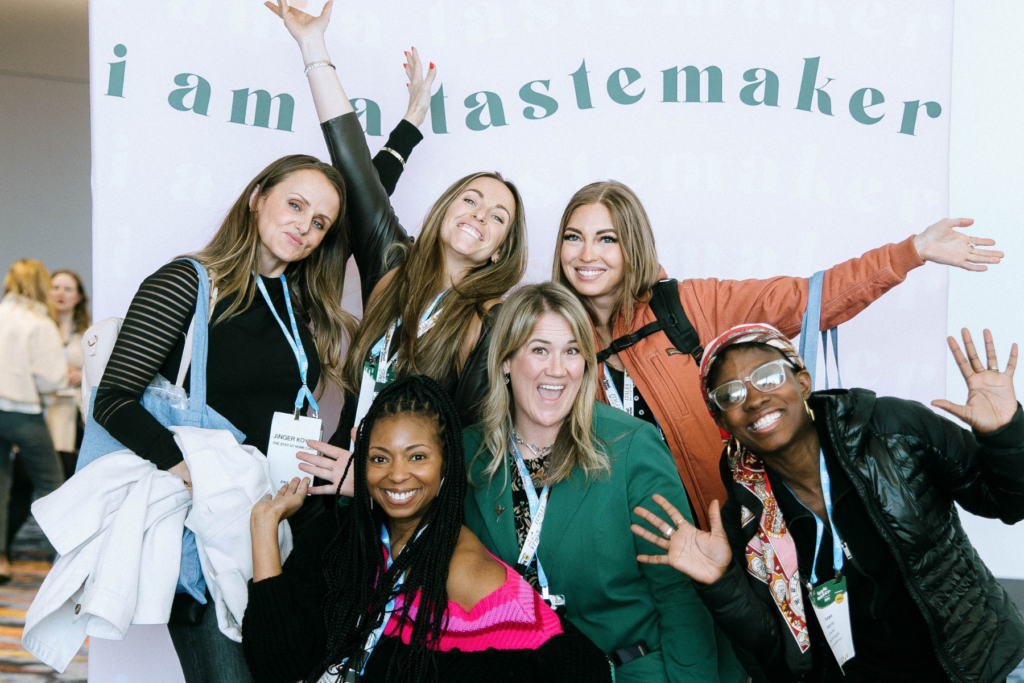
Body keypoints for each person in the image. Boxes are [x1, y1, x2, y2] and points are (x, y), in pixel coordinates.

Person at [90, 138, 410, 682]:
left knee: (285, 668)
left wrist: (405, 135)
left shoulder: (294, 296)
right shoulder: (186, 283)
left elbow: (364, 211)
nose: (305, 228)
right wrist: (192, 474)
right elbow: (113, 399)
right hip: (208, 522)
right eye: (294, 205)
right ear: (256, 198)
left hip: (279, 518)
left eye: (320, 223)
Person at [549, 181, 1004, 530]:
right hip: (634, 544)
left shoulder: (688, 306)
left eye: (606, 238)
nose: (588, 253)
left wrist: (910, 252)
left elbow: (808, 300)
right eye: (574, 237)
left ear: (633, 246)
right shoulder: (550, 336)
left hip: (733, 532)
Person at [631, 323, 1024, 682]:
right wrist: (721, 585)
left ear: (802, 383)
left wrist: (1007, 433)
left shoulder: (891, 429)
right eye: (731, 394)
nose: (753, 399)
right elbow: (778, 661)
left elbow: (1007, 502)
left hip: (972, 667)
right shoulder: (745, 521)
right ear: (723, 420)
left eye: (767, 377)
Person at [266, 0, 528, 467]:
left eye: (498, 216)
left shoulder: (492, 320)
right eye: (470, 199)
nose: (479, 215)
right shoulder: (393, 267)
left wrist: (370, 479)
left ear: (499, 251)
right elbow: (352, 165)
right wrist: (313, 47)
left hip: (412, 503)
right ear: (446, 208)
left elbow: (473, 444)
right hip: (337, 478)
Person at [242, 375, 612, 683]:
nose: (397, 474)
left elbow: (584, 669)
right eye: (379, 458)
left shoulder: (466, 573)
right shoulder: (346, 538)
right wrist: (264, 528)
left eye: (417, 456)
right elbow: (276, 667)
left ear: (445, 465)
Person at [462, 282, 743, 683]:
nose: (556, 369)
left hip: (631, 671)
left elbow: (678, 596)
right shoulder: (468, 454)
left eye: (572, 351)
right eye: (539, 349)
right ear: (506, 361)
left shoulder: (631, 446)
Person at [0, 260, 67, 581]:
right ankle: (65, 560)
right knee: (52, 485)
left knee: (0, 488)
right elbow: (50, 378)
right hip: (23, 412)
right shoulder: (39, 322)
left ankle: (1, 562)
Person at [46, 269, 90, 477]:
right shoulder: (39, 327)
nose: (60, 293)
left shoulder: (88, 331)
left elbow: (100, 369)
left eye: (68, 289)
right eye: (55, 288)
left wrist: (83, 376)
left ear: (79, 296)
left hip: (73, 410)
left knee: (68, 473)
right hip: (44, 407)